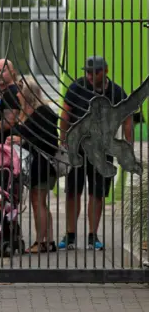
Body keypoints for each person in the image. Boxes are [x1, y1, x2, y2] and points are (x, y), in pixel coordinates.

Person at [58, 55, 132, 251]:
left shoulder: (115, 91)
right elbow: (65, 113)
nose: (90, 76)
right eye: (88, 72)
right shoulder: (77, 87)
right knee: (73, 191)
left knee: (97, 193)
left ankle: (93, 235)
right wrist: (63, 139)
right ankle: (70, 234)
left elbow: (127, 118)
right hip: (78, 148)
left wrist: (127, 145)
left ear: (105, 71)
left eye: (95, 72)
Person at [5, 76, 59, 253]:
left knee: (38, 201)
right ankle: (48, 240)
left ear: (28, 93)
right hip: (31, 164)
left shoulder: (44, 112)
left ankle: (41, 242)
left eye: (20, 91)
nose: (17, 95)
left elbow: (48, 139)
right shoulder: (24, 112)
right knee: (40, 202)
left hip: (42, 164)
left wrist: (22, 140)